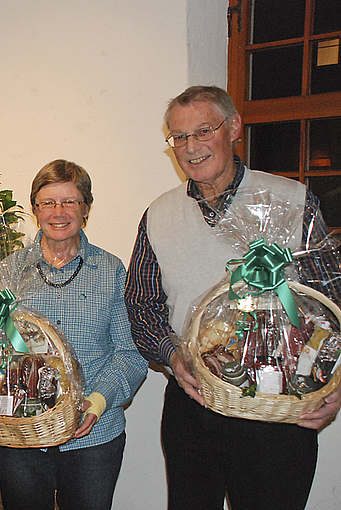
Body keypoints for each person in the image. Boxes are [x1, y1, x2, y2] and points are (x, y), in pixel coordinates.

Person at [125, 85, 341, 510]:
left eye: (203, 131)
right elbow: (141, 305)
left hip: (278, 407)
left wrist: (332, 384)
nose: (191, 147)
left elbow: (331, 304)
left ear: (234, 128)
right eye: (179, 137)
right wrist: (173, 355)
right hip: (194, 404)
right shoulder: (159, 214)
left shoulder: (292, 201)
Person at [0, 159, 148, 510]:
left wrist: (97, 403)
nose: (59, 212)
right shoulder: (8, 271)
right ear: (35, 209)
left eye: (70, 201)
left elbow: (130, 356)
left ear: (86, 208)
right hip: (18, 436)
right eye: (48, 203)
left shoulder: (111, 271)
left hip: (93, 439)